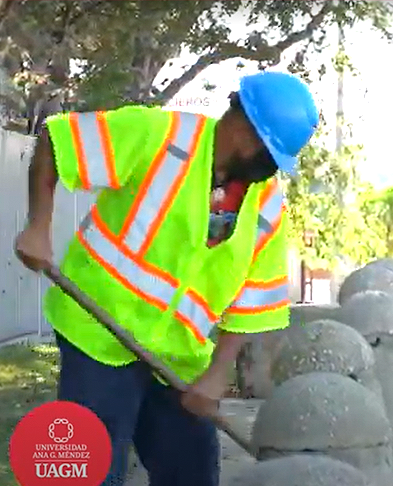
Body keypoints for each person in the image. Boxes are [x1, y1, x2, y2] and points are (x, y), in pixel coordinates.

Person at [13, 70, 319, 486]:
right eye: (271, 155)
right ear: (246, 130)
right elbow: (58, 140)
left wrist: (216, 375)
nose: (271, 170)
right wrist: (38, 225)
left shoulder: (266, 204)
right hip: (98, 332)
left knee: (192, 472)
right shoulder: (160, 134)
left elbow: (253, 302)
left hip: (176, 358)